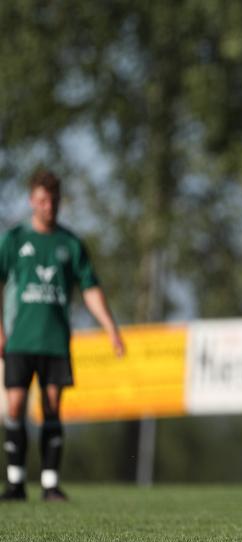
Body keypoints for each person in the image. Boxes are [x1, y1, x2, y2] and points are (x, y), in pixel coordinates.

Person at [0, 169, 125, 501]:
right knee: (14, 405)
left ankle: (50, 483)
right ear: (32, 200)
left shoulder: (69, 244)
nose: (48, 207)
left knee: (53, 406)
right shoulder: (13, 240)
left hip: (54, 340)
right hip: (19, 338)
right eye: (42, 200)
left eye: (53, 201)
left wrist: (111, 329)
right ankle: (14, 483)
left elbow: (90, 289)